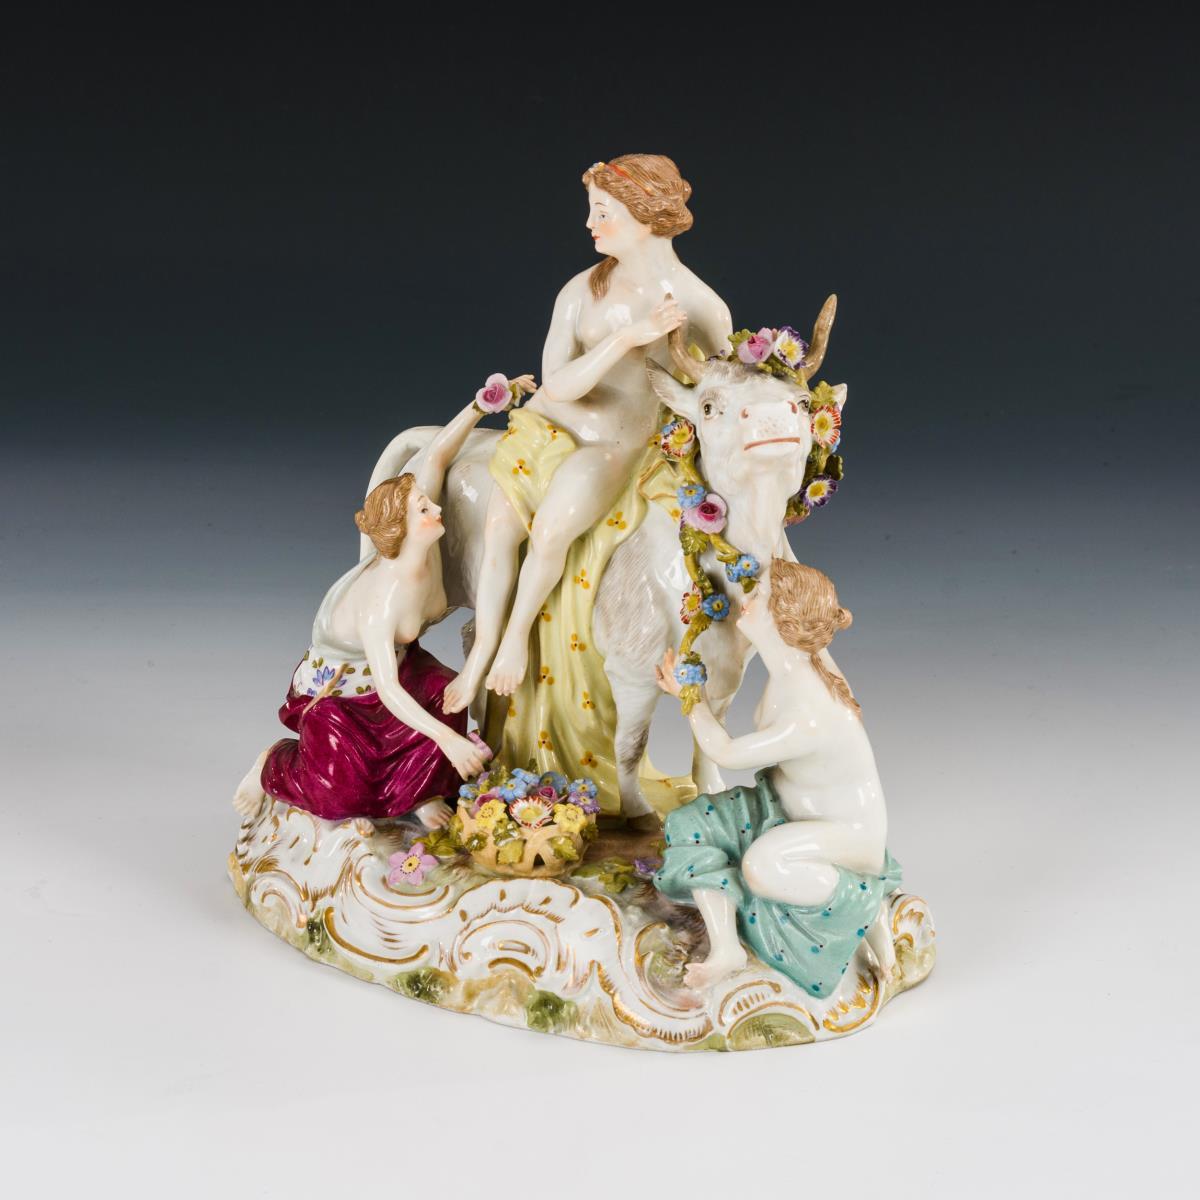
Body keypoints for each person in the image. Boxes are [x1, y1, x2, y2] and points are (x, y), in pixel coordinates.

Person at [442, 154, 732, 713]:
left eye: (603, 212)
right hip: (550, 425)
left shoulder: (700, 305)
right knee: (500, 526)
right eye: (592, 210)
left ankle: (513, 643)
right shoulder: (582, 289)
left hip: (613, 446)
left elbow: (720, 393)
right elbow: (557, 384)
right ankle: (479, 658)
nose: (589, 224)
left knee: (550, 532)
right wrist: (627, 338)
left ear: (645, 215)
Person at [231, 377, 534, 829]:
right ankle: (272, 764)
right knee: (338, 792)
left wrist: (480, 405)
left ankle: (421, 791)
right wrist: (449, 742)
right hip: (341, 693)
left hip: (401, 664)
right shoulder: (381, 598)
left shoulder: (425, 545)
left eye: (428, 503)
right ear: (401, 527)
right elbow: (387, 690)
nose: (436, 510)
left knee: (446, 695)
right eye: (424, 509)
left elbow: (436, 454)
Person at [653, 560, 901, 995]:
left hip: (846, 834)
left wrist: (690, 698)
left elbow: (726, 753)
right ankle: (726, 949)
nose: (746, 601)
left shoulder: (810, 712)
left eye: (759, 597)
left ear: (784, 619)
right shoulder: (805, 658)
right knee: (689, 823)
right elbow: (788, 570)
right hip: (782, 806)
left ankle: (862, 903)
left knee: (762, 868)